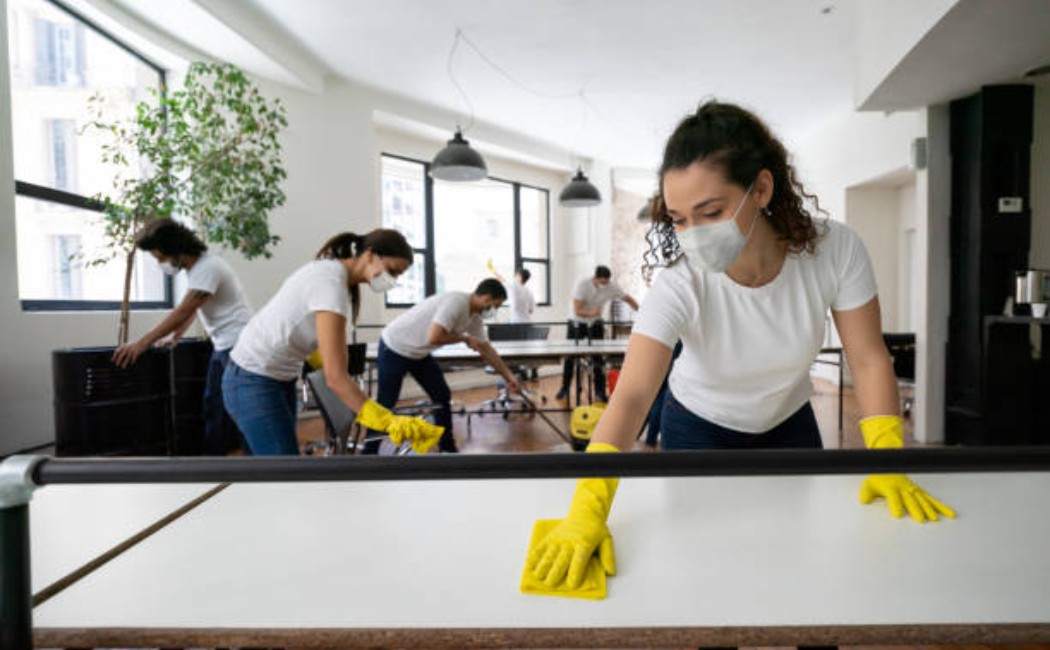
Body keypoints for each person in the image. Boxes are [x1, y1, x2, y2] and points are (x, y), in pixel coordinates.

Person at [525, 100, 955, 596]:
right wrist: (588, 507)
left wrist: (886, 456)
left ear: (763, 189)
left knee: (803, 561)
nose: (694, 235)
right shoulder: (680, 284)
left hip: (788, 424)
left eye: (711, 212)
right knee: (709, 571)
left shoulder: (835, 250)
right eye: (680, 220)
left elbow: (868, 357)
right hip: (697, 429)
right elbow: (634, 395)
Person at [222, 229, 443, 456]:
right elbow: (335, 376)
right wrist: (388, 422)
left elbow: (321, 350)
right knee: (285, 476)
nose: (392, 280)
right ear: (370, 254)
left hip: (275, 378)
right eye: (392, 271)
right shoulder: (329, 282)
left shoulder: (336, 279)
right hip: (253, 379)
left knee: (270, 474)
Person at [113, 218, 251, 455]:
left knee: (231, 410)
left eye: (161, 258)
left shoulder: (208, 268)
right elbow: (193, 307)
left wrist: (141, 343)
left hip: (237, 346)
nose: (162, 264)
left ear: (175, 249)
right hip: (225, 346)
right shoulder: (198, 270)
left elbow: (184, 310)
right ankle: (217, 464)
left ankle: (231, 466)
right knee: (214, 406)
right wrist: (175, 336)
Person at [377, 278, 523, 453]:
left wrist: (508, 376)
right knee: (385, 404)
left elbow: (486, 349)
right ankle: (368, 453)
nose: (493, 310)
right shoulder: (456, 303)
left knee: (441, 395)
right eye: (494, 306)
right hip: (395, 346)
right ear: (486, 298)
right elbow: (434, 337)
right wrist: (464, 338)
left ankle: (447, 447)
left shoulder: (474, 318)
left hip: (419, 354)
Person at [555, 265, 639, 403]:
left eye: (607, 282)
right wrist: (592, 313)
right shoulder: (582, 285)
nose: (605, 285)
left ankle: (600, 391)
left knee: (598, 359)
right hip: (577, 322)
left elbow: (628, 299)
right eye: (602, 282)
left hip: (595, 323)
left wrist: (640, 312)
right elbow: (577, 310)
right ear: (596, 278)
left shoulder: (612, 287)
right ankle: (564, 388)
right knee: (570, 357)